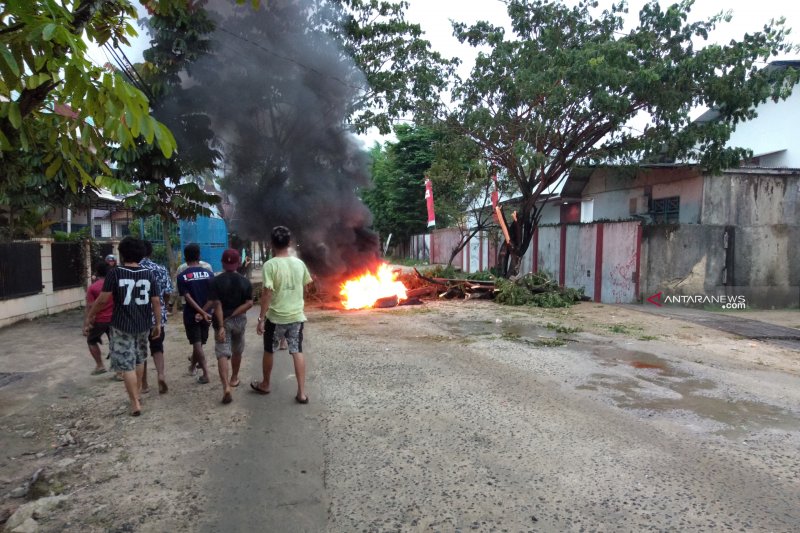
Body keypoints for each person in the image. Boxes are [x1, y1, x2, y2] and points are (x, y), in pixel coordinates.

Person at [84, 237, 161, 416]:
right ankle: (139, 394)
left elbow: (103, 299)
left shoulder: (115, 273)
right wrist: (158, 324)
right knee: (140, 359)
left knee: (127, 365)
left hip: (121, 325)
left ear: (122, 253)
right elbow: (156, 301)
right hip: (143, 324)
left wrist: (90, 315)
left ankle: (134, 402)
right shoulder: (148, 273)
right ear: (141, 254)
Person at [252, 226, 313, 404]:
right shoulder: (299, 264)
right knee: (297, 350)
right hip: (296, 317)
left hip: (276, 318)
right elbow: (307, 286)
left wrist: (261, 319)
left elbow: (267, 293)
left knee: (269, 349)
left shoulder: (270, 265)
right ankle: (301, 393)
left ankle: (265, 384)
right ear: (290, 243)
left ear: (271, 244)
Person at [208, 249, 253, 404]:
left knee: (222, 353)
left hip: (221, 321)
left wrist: (221, 325)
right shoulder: (245, 282)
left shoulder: (215, 281)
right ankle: (234, 378)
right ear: (238, 263)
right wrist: (234, 314)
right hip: (239, 320)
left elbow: (217, 304)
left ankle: (226, 386)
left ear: (222, 262)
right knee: (237, 350)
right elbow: (249, 303)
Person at [139, 240, 173, 394]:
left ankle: (144, 383)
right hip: (157, 317)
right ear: (151, 252)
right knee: (157, 347)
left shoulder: (132, 270)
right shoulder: (160, 269)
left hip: (137, 317)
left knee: (141, 350)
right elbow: (167, 292)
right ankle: (160, 374)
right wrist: (163, 306)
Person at [176, 243, 214, 384]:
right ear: (199, 256)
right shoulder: (210, 274)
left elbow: (187, 297)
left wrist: (199, 312)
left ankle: (205, 374)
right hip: (207, 314)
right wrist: (204, 312)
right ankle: (193, 366)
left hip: (191, 314)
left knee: (197, 343)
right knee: (199, 343)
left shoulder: (182, 276)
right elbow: (213, 297)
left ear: (185, 258)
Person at [84, 261, 113, 375]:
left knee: (91, 340)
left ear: (97, 272)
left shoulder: (93, 288)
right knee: (115, 343)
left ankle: (100, 365)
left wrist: (87, 323)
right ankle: (119, 371)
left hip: (100, 320)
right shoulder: (115, 285)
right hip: (115, 319)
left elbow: (90, 307)